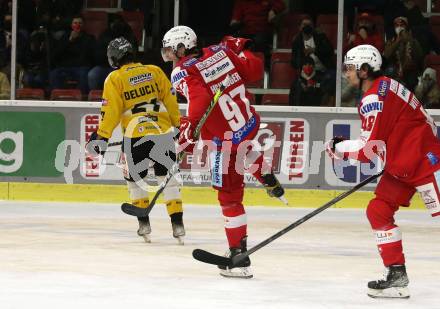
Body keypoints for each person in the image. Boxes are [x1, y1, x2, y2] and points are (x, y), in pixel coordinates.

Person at [161, 26, 286, 278]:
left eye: (171, 50)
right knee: (246, 149)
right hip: (246, 124)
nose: (169, 56)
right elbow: (253, 70)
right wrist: (242, 49)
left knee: (229, 197)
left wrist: (187, 130)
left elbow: (199, 101)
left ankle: (238, 255)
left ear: (182, 48)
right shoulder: (221, 50)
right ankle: (267, 177)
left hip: (223, 139)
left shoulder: (182, 71)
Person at [326, 44, 440, 299]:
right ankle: (397, 276)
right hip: (405, 165)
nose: (346, 73)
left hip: (426, 162)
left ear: (365, 70)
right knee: (378, 210)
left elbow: (367, 149)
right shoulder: (386, 85)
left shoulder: (374, 98)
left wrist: (338, 147)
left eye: (350, 68)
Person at [86, 37, 185, 244]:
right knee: (167, 179)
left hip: (135, 135)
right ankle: (178, 224)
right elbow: (170, 99)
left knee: (134, 180)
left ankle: (144, 223)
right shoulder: (155, 71)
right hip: (163, 132)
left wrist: (102, 136)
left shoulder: (115, 78)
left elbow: (110, 110)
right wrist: (177, 126)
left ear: (114, 57)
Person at [49, 15, 95, 96]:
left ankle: (82, 98)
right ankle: (57, 97)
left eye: (80, 23)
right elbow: (56, 53)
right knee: (54, 74)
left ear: (83, 25)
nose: (77, 25)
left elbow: (88, 55)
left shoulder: (89, 38)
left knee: (83, 74)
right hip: (65, 67)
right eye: (75, 23)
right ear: (71, 25)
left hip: (81, 67)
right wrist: (70, 40)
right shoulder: (65, 37)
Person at [383, 16, 424, 92]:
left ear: (406, 27)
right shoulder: (391, 41)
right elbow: (386, 56)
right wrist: (398, 41)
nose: (399, 28)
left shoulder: (414, 41)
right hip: (394, 72)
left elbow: (419, 56)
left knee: (411, 80)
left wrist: (410, 41)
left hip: (410, 72)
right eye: (397, 26)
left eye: (402, 25)